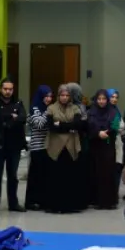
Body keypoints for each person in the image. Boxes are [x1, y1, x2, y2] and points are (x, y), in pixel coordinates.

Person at [44, 84, 87, 214]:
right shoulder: (51, 108)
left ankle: (70, 205)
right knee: (56, 176)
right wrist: (69, 126)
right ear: (58, 96)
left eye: (67, 95)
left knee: (70, 176)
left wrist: (61, 124)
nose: (64, 97)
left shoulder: (75, 108)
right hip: (55, 146)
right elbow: (51, 127)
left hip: (71, 146)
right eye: (62, 95)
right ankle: (55, 205)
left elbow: (78, 124)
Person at [0, 78, 27, 213]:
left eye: (10, 89)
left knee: (13, 176)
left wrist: (12, 119)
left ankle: (13, 203)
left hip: (15, 145)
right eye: (5, 89)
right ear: (0, 89)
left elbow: (23, 118)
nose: (8, 91)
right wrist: (12, 117)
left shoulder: (18, 103)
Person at [87, 89, 120, 210]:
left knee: (108, 172)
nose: (101, 101)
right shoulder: (91, 112)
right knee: (96, 172)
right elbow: (88, 127)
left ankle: (109, 201)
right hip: (95, 146)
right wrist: (98, 133)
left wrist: (106, 133)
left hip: (108, 145)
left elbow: (115, 126)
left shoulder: (113, 112)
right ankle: (97, 200)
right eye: (99, 99)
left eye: (104, 99)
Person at [25, 86, 53, 211]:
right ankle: (31, 201)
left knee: (45, 176)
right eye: (46, 96)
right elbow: (39, 124)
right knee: (35, 176)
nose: (49, 99)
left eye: (50, 96)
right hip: (37, 147)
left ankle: (42, 201)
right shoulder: (35, 108)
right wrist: (49, 112)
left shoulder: (48, 109)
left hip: (47, 147)